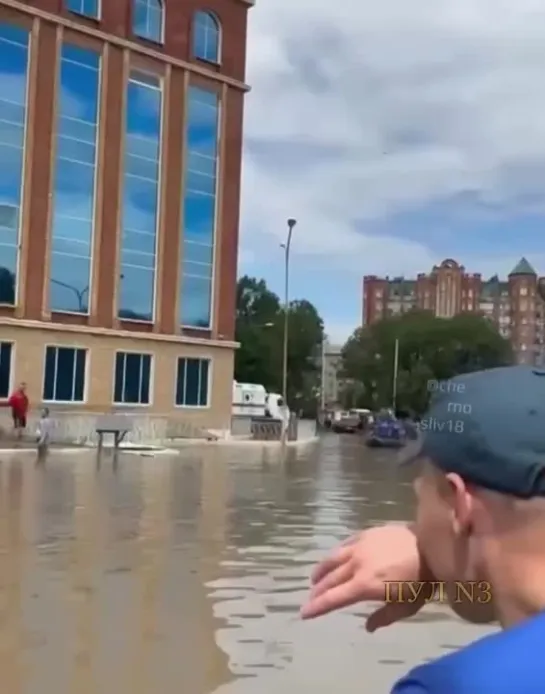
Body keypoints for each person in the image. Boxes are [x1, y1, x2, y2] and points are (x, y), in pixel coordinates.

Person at [301, 365, 545, 692]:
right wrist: (437, 578)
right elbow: (510, 598)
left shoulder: (445, 687)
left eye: (419, 491)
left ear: (460, 505)